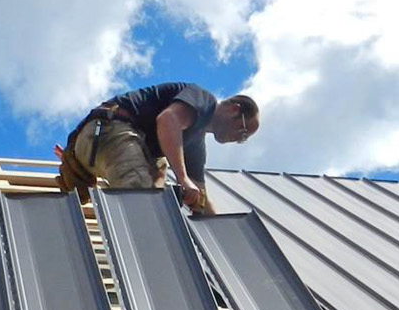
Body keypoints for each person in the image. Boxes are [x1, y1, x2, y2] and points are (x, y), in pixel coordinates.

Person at [55, 82, 258, 215]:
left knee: (159, 181)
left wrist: (218, 229)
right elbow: (168, 119)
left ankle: (150, 217)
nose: (238, 140)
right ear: (234, 109)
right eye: (243, 133)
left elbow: (200, 195)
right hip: (107, 131)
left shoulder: (194, 143)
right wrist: (182, 177)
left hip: (103, 142)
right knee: (143, 199)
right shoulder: (204, 100)